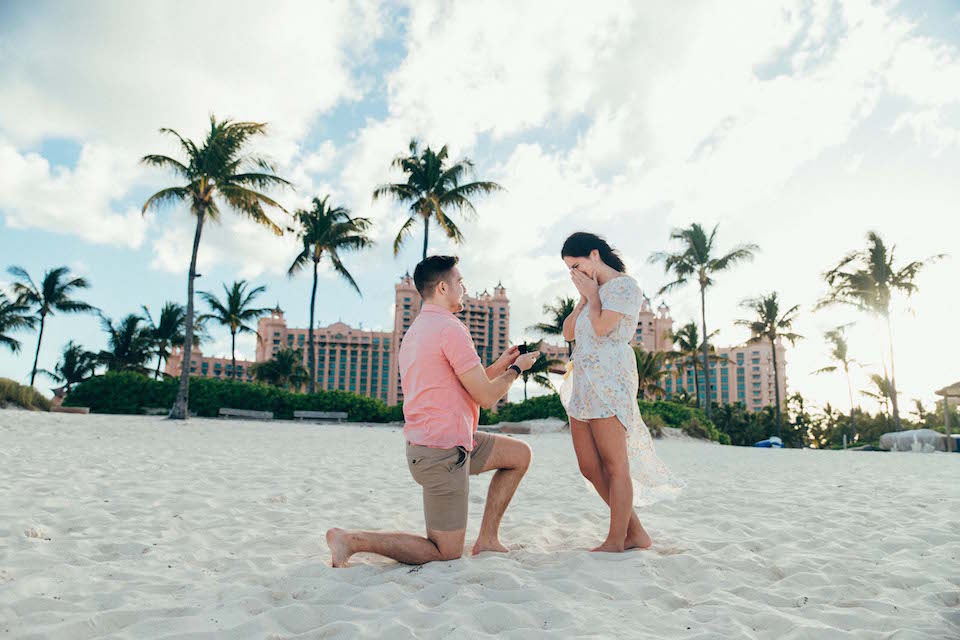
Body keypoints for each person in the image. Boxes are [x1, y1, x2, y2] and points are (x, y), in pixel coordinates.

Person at [326, 255, 540, 567]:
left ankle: (488, 539)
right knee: (445, 552)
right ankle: (352, 540)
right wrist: (517, 371)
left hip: (448, 443)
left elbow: (469, 385)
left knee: (519, 455)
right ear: (442, 287)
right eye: (460, 282)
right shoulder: (450, 330)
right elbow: (485, 397)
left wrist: (501, 366)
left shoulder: (417, 331)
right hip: (441, 454)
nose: (464, 288)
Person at [559, 232, 683, 553]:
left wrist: (594, 298)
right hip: (583, 380)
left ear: (594, 255)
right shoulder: (589, 292)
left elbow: (602, 328)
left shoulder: (625, 287)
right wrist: (585, 299)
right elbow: (568, 331)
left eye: (577, 265)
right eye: (569, 269)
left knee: (616, 465)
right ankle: (636, 533)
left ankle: (616, 540)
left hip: (610, 378)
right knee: (589, 466)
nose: (574, 273)